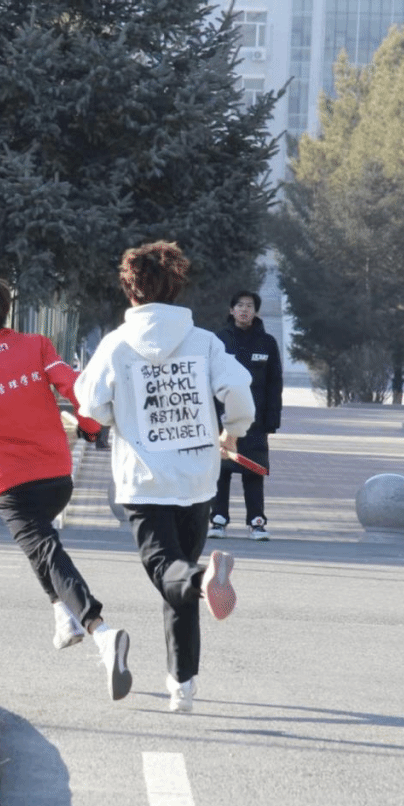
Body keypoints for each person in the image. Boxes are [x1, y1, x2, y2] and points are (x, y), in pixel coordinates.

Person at [0, 275, 132, 701]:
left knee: (44, 549)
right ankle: (62, 616)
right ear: (7, 311)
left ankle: (100, 630)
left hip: (8, 483)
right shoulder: (37, 346)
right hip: (56, 475)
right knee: (41, 546)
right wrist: (91, 427)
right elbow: (75, 388)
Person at [74, 241, 255, 713]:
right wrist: (233, 431)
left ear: (130, 289)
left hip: (144, 479)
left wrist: (116, 416)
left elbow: (90, 405)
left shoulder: (116, 344)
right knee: (177, 584)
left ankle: (203, 579)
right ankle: (183, 684)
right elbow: (239, 388)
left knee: (167, 570)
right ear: (176, 287)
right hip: (197, 479)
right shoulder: (204, 342)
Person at [207, 290, 283, 541]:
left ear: (255, 311)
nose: (244, 310)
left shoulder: (267, 343)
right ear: (231, 310)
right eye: (239, 305)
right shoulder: (219, 340)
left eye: (249, 306)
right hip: (223, 417)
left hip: (256, 420)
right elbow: (208, 379)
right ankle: (218, 519)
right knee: (222, 469)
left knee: (254, 469)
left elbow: (274, 383)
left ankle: (256, 521)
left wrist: (272, 419)